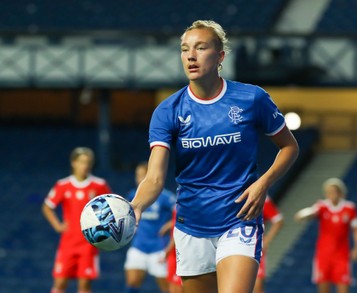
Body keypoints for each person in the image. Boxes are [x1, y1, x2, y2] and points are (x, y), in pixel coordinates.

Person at [131, 20, 299, 293]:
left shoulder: (251, 98)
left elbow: (290, 147)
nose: (191, 55)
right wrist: (137, 205)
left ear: (220, 56)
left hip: (239, 219)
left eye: (201, 47)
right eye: (185, 49)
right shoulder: (167, 111)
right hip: (190, 225)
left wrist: (263, 183)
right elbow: (155, 177)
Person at [42, 147, 111, 293]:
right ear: (74, 163)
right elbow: (47, 207)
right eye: (81, 162)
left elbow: (111, 208)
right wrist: (58, 225)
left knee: (84, 285)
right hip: (68, 242)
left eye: (88, 162)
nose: (85, 166)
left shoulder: (99, 185)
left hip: (88, 244)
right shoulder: (63, 185)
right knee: (60, 282)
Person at [295, 178, 357, 293]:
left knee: (343, 287)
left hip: (342, 256)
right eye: (328, 192)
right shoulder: (322, 206)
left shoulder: (349, 208)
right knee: (323, 289)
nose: (331, 194)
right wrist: (303, 215)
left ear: (340, 192)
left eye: (333, 191)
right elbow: (310, 212)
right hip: (323, 256)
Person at [124, 162, 175, 293]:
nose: (138, 179)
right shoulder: (132, 195)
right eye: (137, 175)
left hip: (159, 249)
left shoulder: (165, 196)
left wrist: (170, 224)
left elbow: (181, 212)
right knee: (132, 284)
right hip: (138, 247)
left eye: (142, 175)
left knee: (167, 289)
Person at [254, 196, 284, 293]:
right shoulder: (232, 193)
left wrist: (266, 241)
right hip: (234, 247)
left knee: (257, 287)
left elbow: (278, 220)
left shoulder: (261, 197)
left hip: (255, 249)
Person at [164, 207, 184, 293]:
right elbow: (179, 220)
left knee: (179, 287)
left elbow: (181, 226)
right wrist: (169, 224)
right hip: (174, 254)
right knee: (172, 285)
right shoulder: (178, 205)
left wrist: (169, 247)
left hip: (180, 252)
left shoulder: (186, 204)